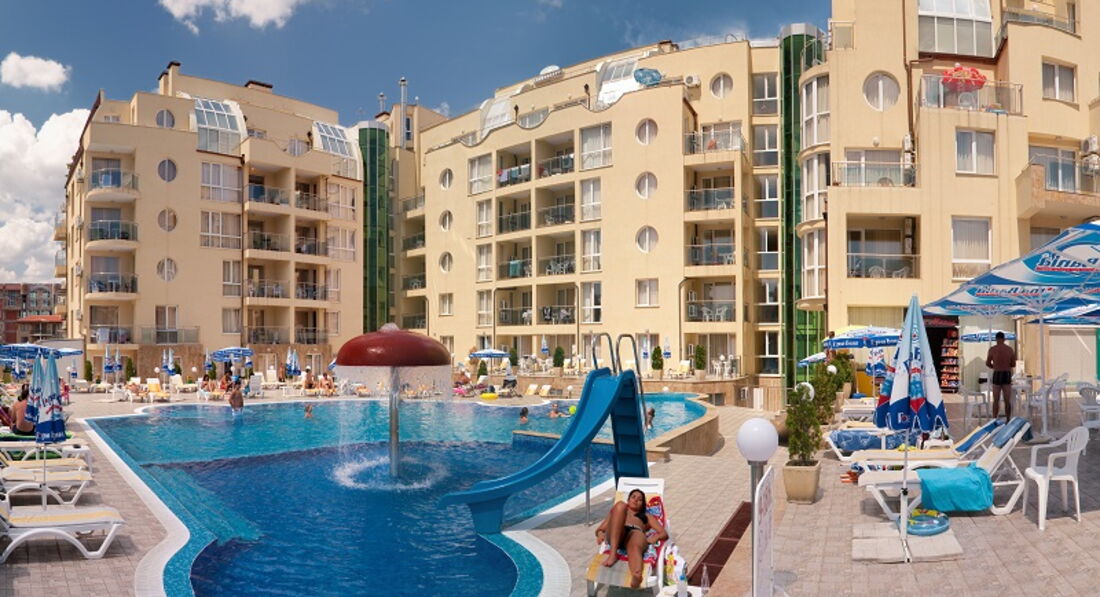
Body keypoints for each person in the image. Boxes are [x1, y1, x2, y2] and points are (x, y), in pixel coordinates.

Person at [594, 488, 668, 588]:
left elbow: (663, 533)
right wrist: (600, 534)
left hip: (635, 532)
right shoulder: (618, 511)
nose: (636, 500)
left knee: (635, 542)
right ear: (628, 500)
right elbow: (600, 529)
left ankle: (637, 575)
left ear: (642, 504)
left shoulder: (646, 516)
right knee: (620, 505)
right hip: (617, 534)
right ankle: (613, 554)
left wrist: (655, 538)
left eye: (640, 499)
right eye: (633, 497)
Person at [985, 331, 1017, 420]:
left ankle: (994, 419)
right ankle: (1008, 419)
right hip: (1006, 373)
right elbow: (1013, 364)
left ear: (996, 339)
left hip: (997, 373)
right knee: (1007, 400)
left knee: (996, 400)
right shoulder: (1009, 349)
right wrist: (1006, 365)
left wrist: (994, 366)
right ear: (1004, 339)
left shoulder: (992, 349)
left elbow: (987, 363)